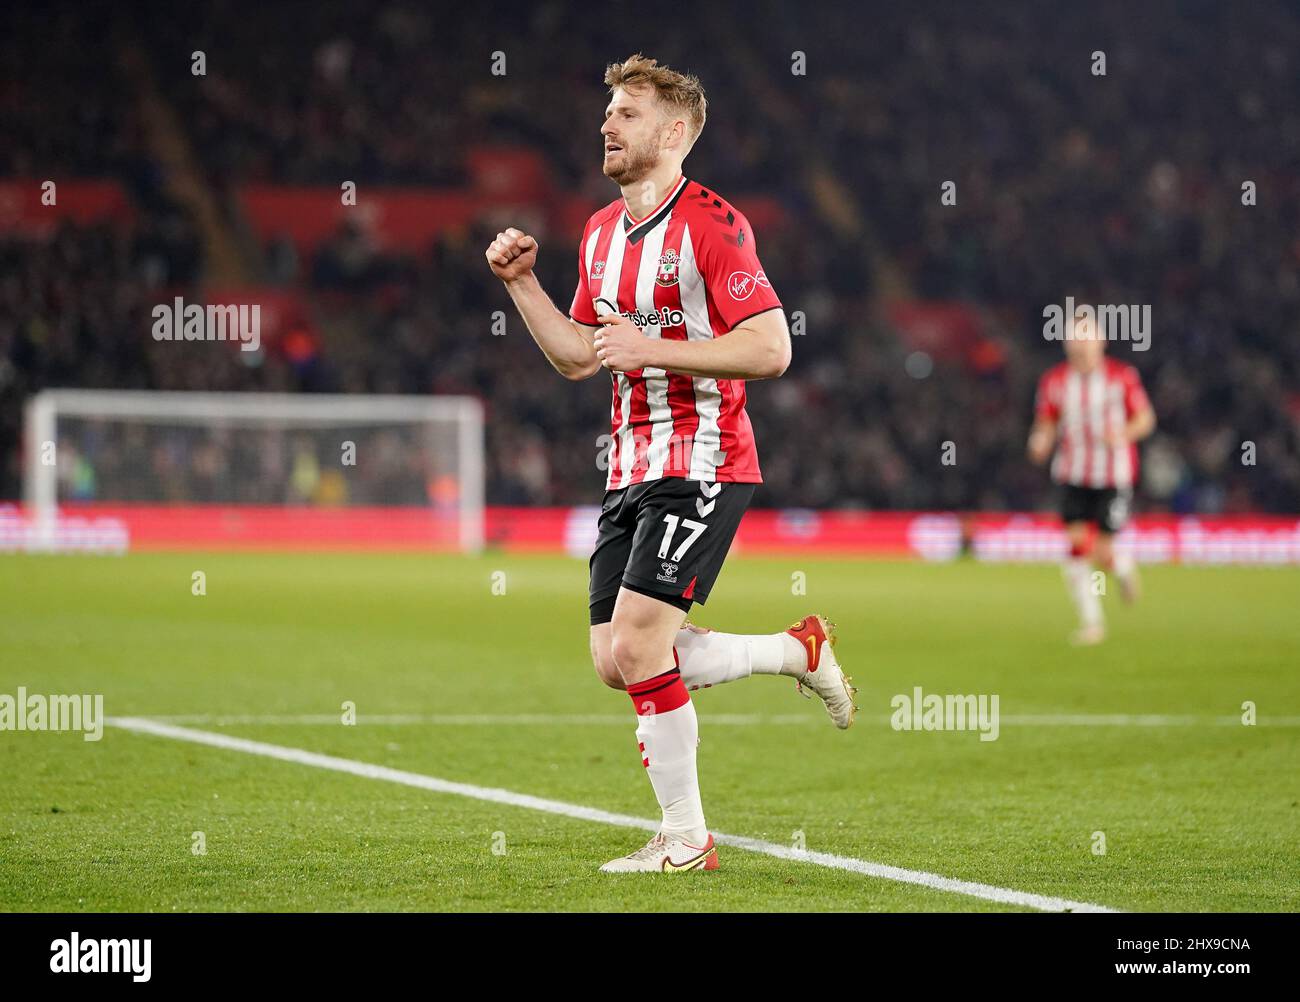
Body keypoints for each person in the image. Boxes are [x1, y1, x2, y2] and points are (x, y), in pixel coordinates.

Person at [485, 54, 856, 873]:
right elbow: (582, 357)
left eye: (625, 112)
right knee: (614, 661)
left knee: (644, 647)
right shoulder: (596, 233)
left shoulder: (714, 225)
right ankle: (799, 652)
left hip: (705, 457)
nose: (606, 125)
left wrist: (653, 344)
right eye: (607, 112)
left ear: (675, 131)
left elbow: (772, 347)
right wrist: (522, 285)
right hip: (629, 466)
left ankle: (687, 840)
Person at [1028, 313, 1156, 645]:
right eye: (1075, 340)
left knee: (1101, 550)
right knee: (1076, 545)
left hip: (1113, 476)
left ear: (1101, 343)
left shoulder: (1121, 377)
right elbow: (1047, 421)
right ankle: (1091, 622)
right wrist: (1040, 440)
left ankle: (1123, 566)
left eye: (1087, 340)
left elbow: (1145, 419)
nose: (1081, 347)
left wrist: (1123, 434)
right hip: (1072, 473)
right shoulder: (1054, 381)